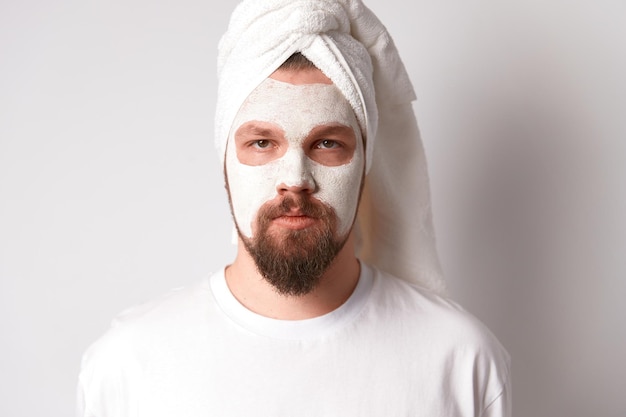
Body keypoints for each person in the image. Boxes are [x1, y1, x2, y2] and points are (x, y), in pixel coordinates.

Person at [77, 1, 511, 416]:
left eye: (327, 143)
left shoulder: (460, 360)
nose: (296, 178)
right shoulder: (129, 364)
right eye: (262, 143)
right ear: (225, 163)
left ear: (365, 163)